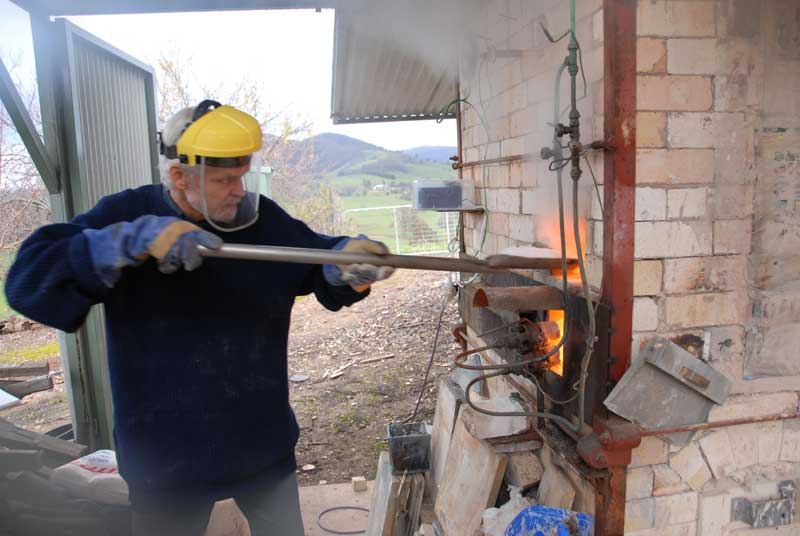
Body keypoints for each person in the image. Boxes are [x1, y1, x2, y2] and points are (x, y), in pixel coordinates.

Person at [4, 100, 394, 535]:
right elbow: (26, 283)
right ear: (179, 176)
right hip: (164, 457)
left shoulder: (264, 223)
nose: (239, 191)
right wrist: (126, 243)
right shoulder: (126, 216)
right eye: (226, 180)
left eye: (242, 177)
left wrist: (347, 265)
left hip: (260, 443)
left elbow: (315, 263)